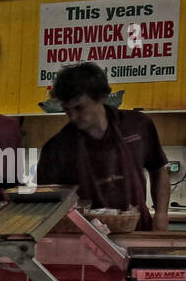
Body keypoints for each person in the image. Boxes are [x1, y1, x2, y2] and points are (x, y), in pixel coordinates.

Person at [38, 62, 169, 231]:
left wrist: (161, 215)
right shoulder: (56, 148)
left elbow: (158, 169)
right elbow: (48, 206)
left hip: (138, 231)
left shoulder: (138, 125)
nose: (73, 116)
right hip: (87, 240)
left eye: (79, 107)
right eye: (66, 109)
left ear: (100, 96)